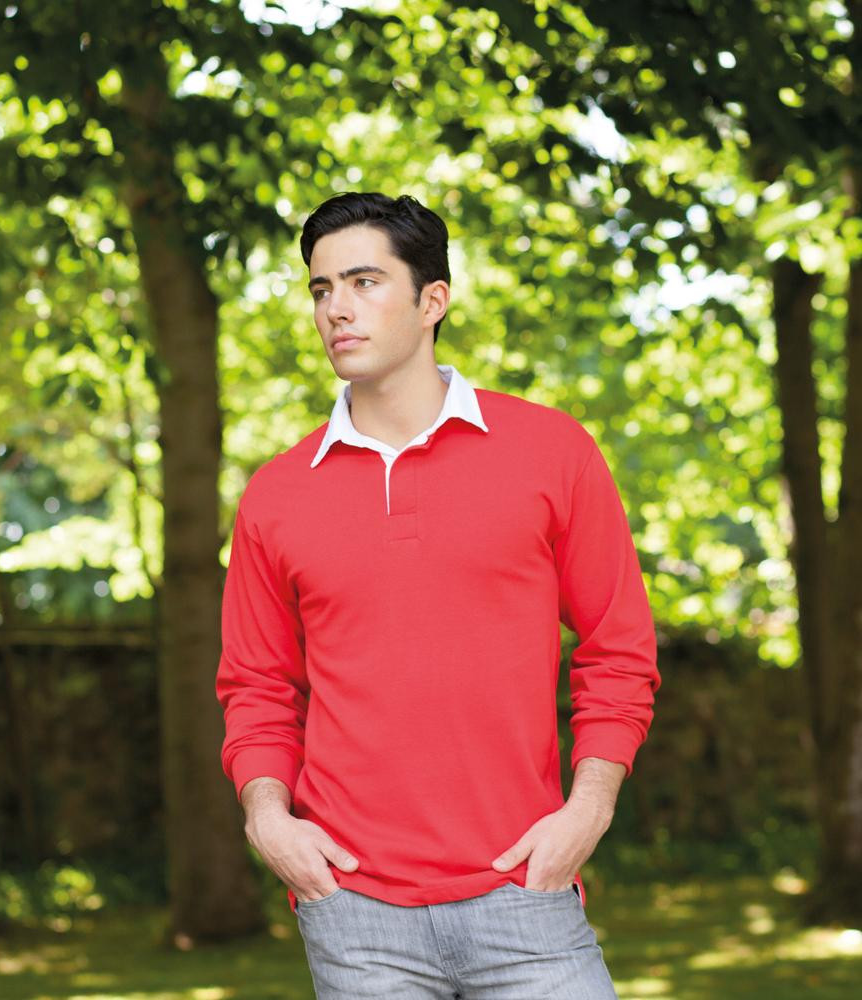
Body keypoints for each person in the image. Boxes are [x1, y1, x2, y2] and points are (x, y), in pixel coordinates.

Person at [215, 191, 661, 999]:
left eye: (364, 282)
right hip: (352, 911)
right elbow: (257, 686)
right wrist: (268, 820)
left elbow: (617, 650)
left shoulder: (551, 452)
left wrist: (588, 811)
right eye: (321, 289)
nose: (336, 309)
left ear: (433, 301)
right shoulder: (276, 495)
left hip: (525, 888)